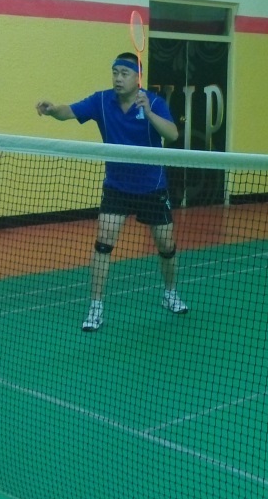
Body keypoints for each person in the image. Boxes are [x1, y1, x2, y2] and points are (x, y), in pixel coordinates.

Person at [36, 53, 188, 332]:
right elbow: (69, 112)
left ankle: (170, 293)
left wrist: (149, 113)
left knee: (166, 246)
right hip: (117, 186)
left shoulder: (154, 102)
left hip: (152, 186)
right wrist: (52, 109)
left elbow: (173, 135)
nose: (118, 78)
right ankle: (96, 307)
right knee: (103, 243)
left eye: (124, 73)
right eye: (115, 72)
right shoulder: (102, 101)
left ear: (137, 77)